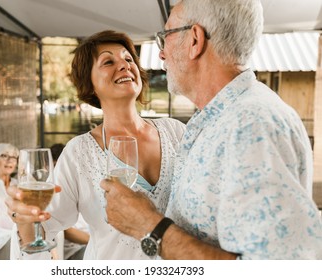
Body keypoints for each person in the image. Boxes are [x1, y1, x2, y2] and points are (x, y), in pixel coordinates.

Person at [100, 0, 322, 259]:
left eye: (166, 37)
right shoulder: (220, 118)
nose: (161, 53)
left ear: (195, 40)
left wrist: (149, 226)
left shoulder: (251, 126)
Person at [6, 30, 186, 259]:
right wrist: (23, 218)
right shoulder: (78, 153)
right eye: (108, 61)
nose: (124, 65)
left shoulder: (176, 132)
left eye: (128, 59)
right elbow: (44, 227)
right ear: (90, 85)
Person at [50, 143, 90, 260]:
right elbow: (66, 231)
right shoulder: (53, 190)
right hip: (76, 249)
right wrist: (97, 242)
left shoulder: (82, 183)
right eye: (57, 166)